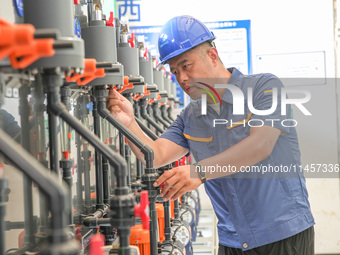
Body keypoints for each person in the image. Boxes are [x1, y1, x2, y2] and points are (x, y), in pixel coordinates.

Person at [107, 15, 315, 255]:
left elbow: (261, 145)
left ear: (213, 56)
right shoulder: (191, 116)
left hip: (282, 233)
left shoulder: (264, 88)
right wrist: (129, 123)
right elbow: (155, 154)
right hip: (232, 240)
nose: (181, 78)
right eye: (174, 71)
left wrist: (198, 171)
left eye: (186, 66)